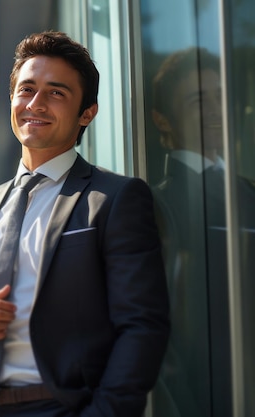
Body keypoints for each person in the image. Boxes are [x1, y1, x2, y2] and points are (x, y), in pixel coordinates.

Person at [0, 31, 170, 417]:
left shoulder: (116, 199)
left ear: (87, 112)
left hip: (57, 407)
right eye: (26, 89)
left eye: (56, 93)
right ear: (12, 99)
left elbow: (142, 326)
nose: (35, 103)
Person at [150, 47, 255, 417]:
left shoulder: (248, 192)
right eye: (198, 100)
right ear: (162, 120)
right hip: (203, 400)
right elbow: (156, 335)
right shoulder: (153, 206)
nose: (215, 110)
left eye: (220, 97)